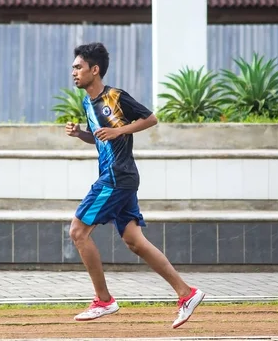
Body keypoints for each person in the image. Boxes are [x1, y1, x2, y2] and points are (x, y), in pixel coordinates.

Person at [65, 42, 205, 329]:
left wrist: (120, 130)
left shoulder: (115, 96)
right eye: (73, 68)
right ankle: (186, 293)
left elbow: (150, 118)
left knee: (78, 231)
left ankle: (103, 300)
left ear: (95, 70)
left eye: (78, 67)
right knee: (135, 242)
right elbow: (100, 135)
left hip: (116, 178)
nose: (74, 73)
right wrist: (82, 134)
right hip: (121, 178)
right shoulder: (87, 103)